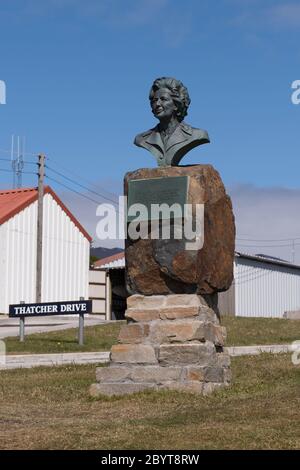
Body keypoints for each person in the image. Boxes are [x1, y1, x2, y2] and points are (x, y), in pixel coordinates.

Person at [134, 77, 210, 166]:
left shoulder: (197, 134)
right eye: (154, 100)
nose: (157, 104)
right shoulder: (142, 139)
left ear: (176, 105)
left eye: (163, 99)